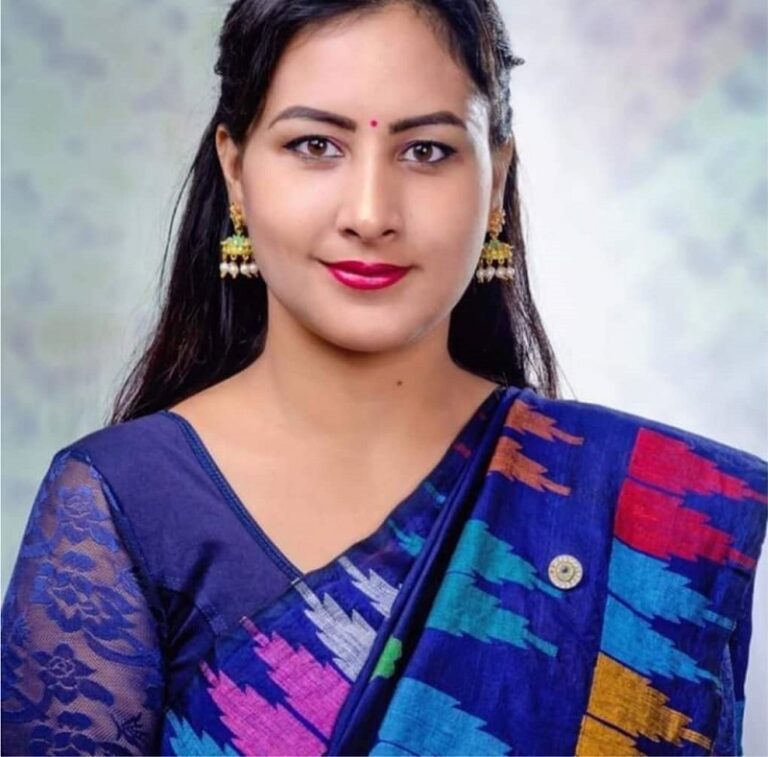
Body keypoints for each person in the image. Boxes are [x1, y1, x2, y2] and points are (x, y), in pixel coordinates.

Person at [1, 0, 765, 754]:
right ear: (235, 171)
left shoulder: (647, 513)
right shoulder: (126, 504)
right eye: (315, 145)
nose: (370, 214)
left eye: (426, 150)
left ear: (496, 179)